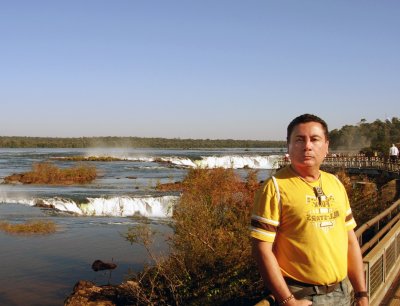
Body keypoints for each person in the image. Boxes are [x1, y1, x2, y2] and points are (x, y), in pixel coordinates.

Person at [250, 114, 368, 306]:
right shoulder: (275, 188)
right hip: (304, 296)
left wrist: (362, 293)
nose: (307, 146)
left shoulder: (335, 184)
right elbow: (261, 249)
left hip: (344, 292)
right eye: (299, 140)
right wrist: (288, 301)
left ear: (327, 146)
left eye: (314, 139)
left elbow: (350, 241)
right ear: (288, 146)